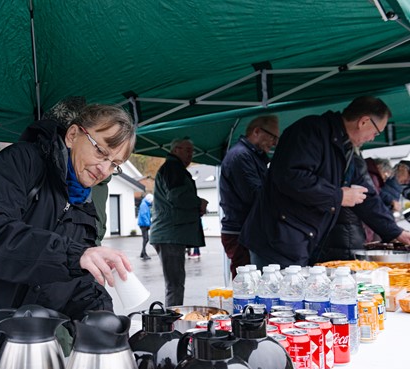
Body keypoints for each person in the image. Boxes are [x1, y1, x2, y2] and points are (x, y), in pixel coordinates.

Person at [0, 104, 137, 369]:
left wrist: (107, 325)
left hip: (26, 356)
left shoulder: (85, 208)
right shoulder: (20, 163)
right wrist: (74, 255)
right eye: (101, 151)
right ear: (73, 134)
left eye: (114, 164)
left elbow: (74, 284)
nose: (104, 169)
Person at [239, 96, 410, 267]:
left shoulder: (348, 150)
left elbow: (367, 198)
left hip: (304, 239)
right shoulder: (310, 131)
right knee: (276, 292)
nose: (373, 138)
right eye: (376, 132)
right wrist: (338, 195)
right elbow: (290, 177)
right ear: (364, 121)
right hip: (276, 238)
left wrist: (396, 232)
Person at [219, 115, 279, 277]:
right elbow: (256, 196)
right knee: (247, 286)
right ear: (257, 131)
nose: (274, 143)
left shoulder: (250, 156)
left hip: (245, 230)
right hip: (241, 232)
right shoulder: (241, 156)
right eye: (272, 137)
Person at [150, 137, 207, 306]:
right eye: (187, 150)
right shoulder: (174, 168)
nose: (191, 155)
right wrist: (199, 202)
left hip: (169, 234)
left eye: (192, 151)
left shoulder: (174, 168)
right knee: (175, 285)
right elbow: (177, 196)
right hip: (170, 235)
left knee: (175, 284)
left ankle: (171, 320)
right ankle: (171, 324)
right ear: (176, 150)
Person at [364, 157, 392, 242]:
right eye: (385, 175)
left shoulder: (367, 174)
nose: (384, 179)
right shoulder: (373, 178)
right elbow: (374, 204)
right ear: (379, 167)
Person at [137, 193, 153, 260]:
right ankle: (144, 254)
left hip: (144, 224)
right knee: (146, 239)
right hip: (143, 225)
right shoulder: (144, 205)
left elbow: (148, 214)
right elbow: (143, 215)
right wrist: (148, 224)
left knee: (145, 239)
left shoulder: (146, 205)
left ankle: (142, 253)